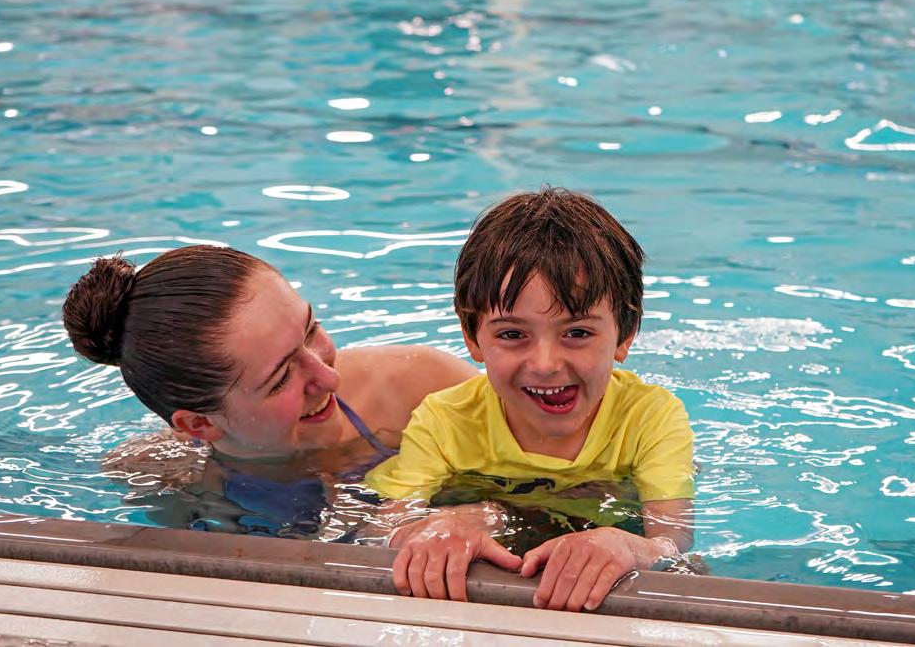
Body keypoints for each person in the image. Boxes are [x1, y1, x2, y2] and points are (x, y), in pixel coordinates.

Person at [365, 187, 695, 612]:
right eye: (512, 334)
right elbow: (385, 527)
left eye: (577, 332)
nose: (545, 364)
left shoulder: (650, 417)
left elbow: (672, 541)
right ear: (472, 338)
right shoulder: (444, 420)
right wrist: (431, 530)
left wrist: (632, 546)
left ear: (624, 335)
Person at [62, 245, 478, 537]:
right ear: (199, 424)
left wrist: (475, 517)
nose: (328, 379)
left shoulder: (423, 389)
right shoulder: (165, 478)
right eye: (281, 378)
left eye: (311, 330)